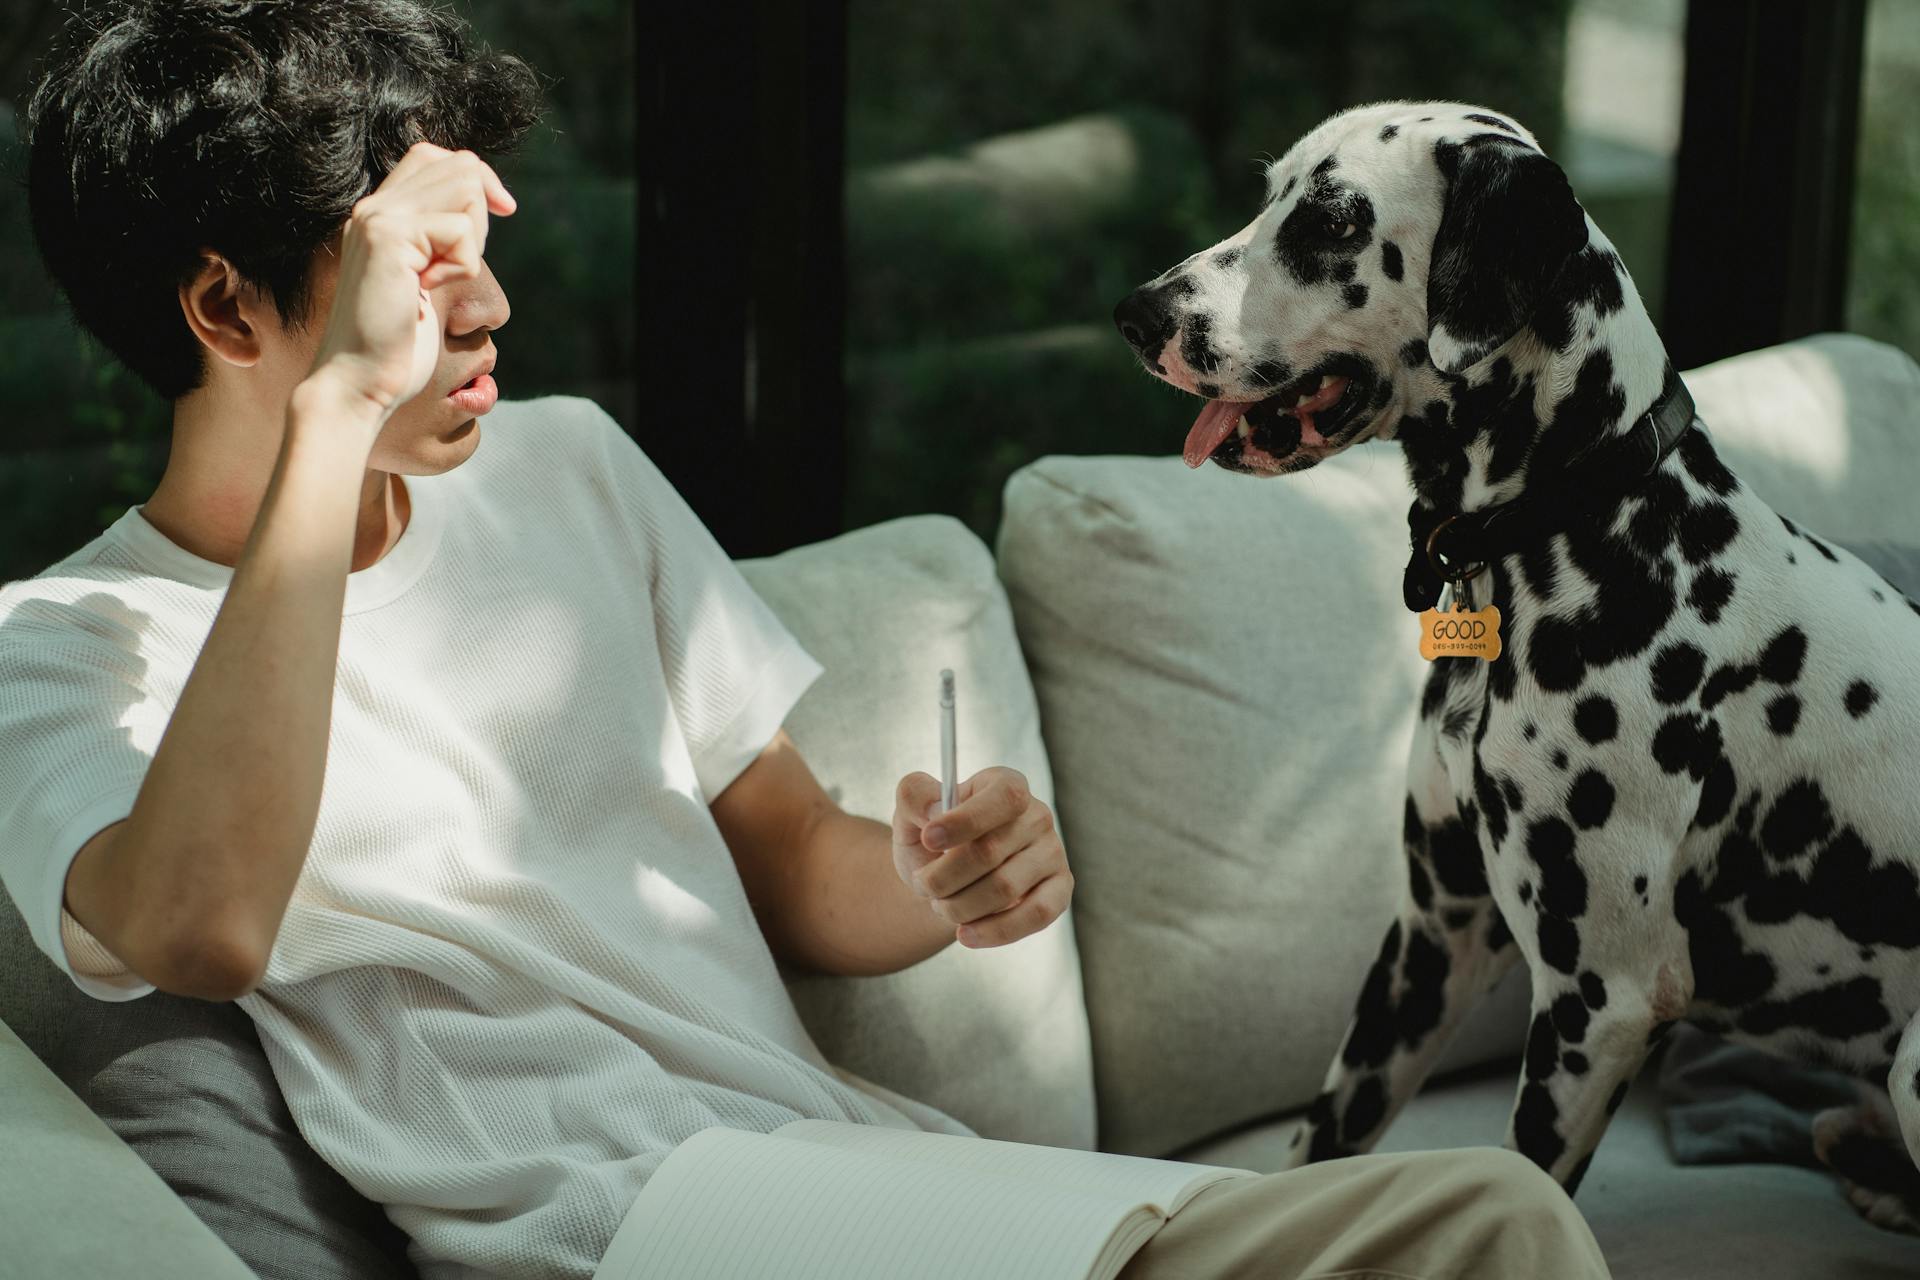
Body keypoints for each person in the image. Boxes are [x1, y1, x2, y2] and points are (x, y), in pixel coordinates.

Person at [0, 3, 1612, 1278]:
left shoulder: (569, 470)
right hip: (632, 1238)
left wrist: (935, 879)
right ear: (227, 314)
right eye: (417, 273)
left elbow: (785, 851)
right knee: (1498, 1237)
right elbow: (198, 929)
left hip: (853, 1178)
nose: (486, 307)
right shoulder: (62, 647)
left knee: (1483, 1226)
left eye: (480, 249)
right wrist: (342, 410)